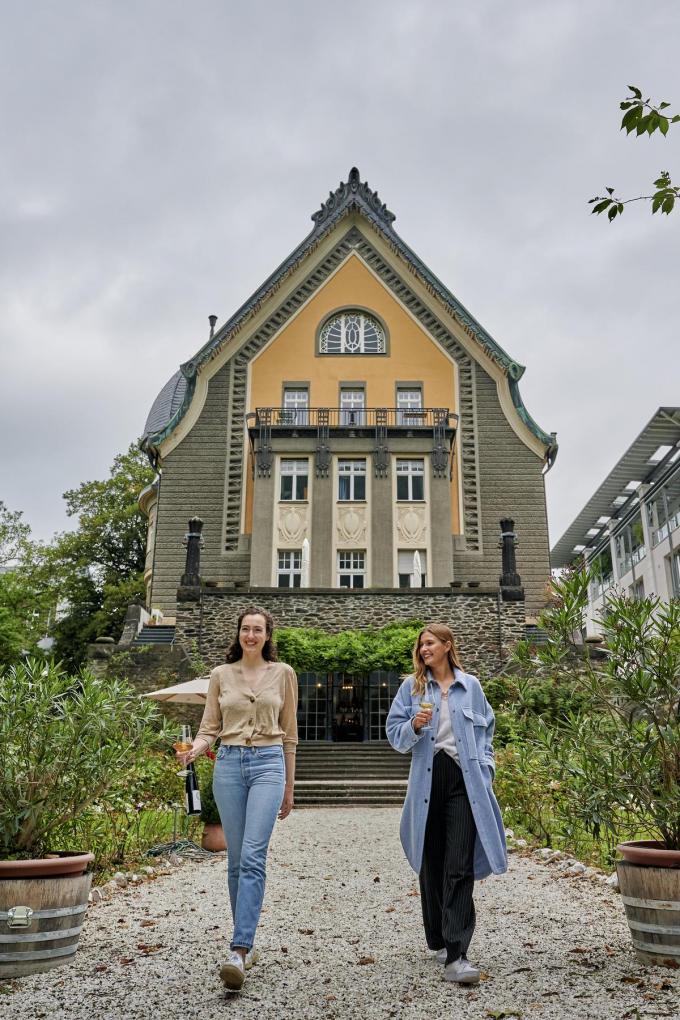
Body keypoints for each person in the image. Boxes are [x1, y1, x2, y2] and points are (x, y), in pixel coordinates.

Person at [176, 606, 297, 991]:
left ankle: (239, 950)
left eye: (257, 629)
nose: (250, 635)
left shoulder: (284, 674)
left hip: (268, 763)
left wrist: (290, 787)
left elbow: (290, 734)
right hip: (228, 764)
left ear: (267, 636)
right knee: (234, 862)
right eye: (245, 629)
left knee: (252, 857)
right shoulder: (220, 675)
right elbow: (209, 726)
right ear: (239, 634)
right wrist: (194, 750)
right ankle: (245, 939)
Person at [386, 623, 506, 985]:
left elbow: (487, 727)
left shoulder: (470, 687)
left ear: (447, 646)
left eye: (430, 643)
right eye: (421, 644)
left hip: (464, 780)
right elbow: (395, 735)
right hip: (428, 778)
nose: (424, 649)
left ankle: (458, 954)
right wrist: (414, 725)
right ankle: (438, 936)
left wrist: (487, 766)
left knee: (459, 863)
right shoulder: (412, 688)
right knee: (431, 860)